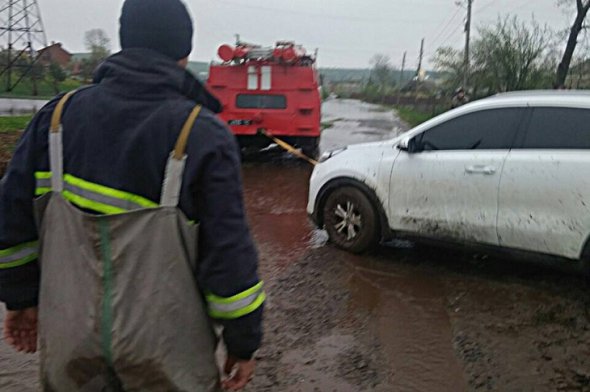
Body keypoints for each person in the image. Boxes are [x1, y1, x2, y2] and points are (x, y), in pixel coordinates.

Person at [0, 0, 263, 390]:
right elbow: (228, 256)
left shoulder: (54, 121)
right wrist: (242, 344)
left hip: (70, 340)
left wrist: (20, 298)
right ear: (184, 54)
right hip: (166, 355)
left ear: (123, 42)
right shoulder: (203, 135)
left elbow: (12, 224)